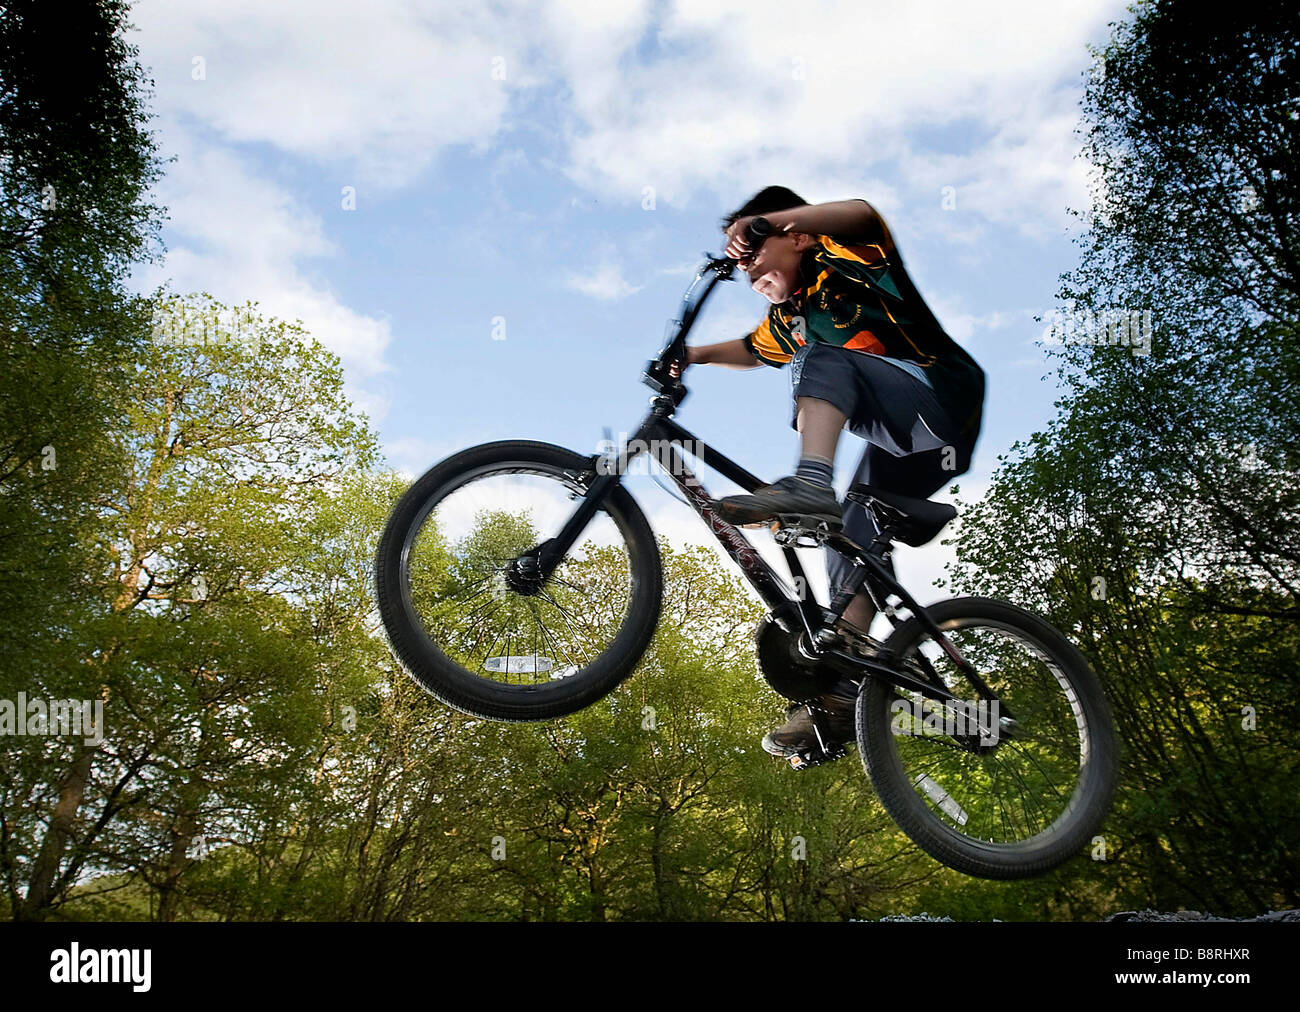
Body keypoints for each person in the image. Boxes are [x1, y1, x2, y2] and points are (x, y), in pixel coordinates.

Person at [670, 186, 985, 767]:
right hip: (906, 448)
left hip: (941, 400)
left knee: (821, 359)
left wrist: (767, 218)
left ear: (797, 235)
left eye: (751, 250)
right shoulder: (788, 317)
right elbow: (750, 347)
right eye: (738, 261)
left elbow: (863, 212)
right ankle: (849, 686)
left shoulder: (848, 255)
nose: (746, 266)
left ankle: (811, 480)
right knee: (848, 535)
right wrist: (692, 355)